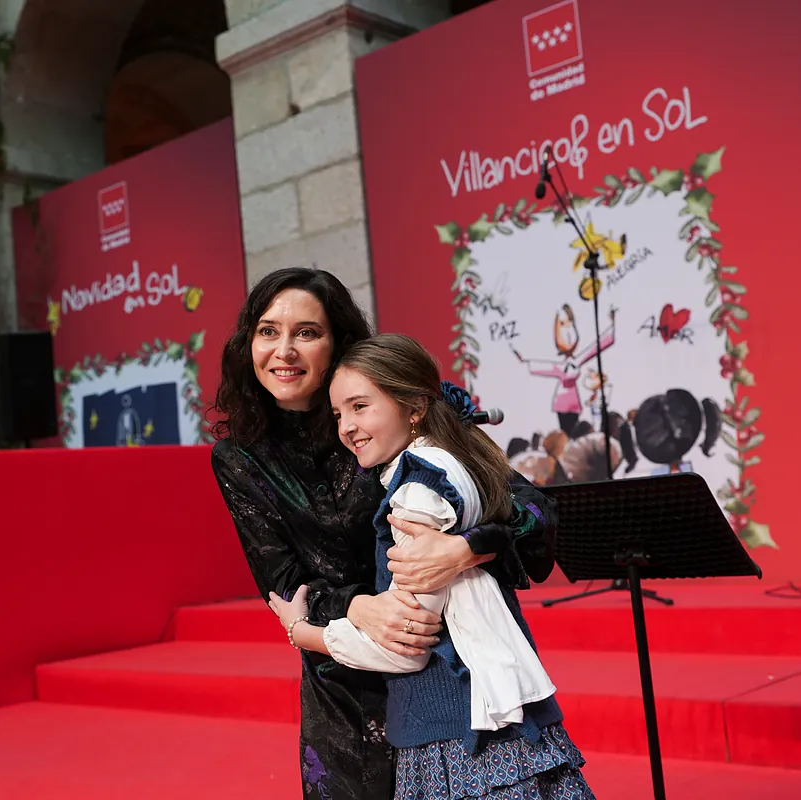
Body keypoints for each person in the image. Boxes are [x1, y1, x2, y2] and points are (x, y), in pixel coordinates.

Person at [210, 268, 558, 799]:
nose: (284, 350)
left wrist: (463, 549)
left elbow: (533, 510)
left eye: (307, 332)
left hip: (445, 672)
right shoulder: (239, 457)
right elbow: (282, 584)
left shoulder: (391, 410)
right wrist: (357, 607)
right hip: (343, 683)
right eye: (267, 331)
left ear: (339, 343)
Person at [270, 334, 593, 800]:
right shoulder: (454, 460)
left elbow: (408, 643)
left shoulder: (416, 492)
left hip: (464, 735)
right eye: (339, 413)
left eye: (361, 407)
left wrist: (304, 634)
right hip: (489, 716)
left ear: (415, 407)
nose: (346, 427)